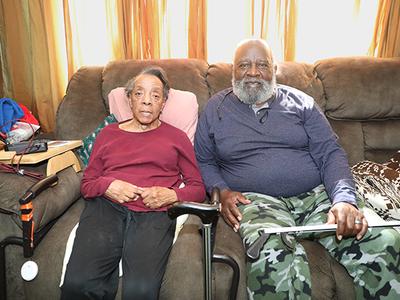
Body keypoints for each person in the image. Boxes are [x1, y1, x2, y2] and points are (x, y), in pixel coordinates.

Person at [194, 39, 400, 299]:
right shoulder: (215, 109)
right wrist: (220, 190)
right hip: (257, 200)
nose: (253, 72)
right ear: (232, 70)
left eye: (262, 65)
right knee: (271, 255)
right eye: (244, 65)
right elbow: (204, 159)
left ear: (275, 69)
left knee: (384, 239)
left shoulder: (302, 103)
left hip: (316, 195)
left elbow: (330, 154)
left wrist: (345, 200)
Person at [61, 66, 206, 300]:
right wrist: (108, 185)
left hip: (154, 212)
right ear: (129, 99)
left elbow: (198, 188)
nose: (147, 101)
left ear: (163, 103)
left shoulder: (177, 138)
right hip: (106, 207)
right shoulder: (108, 134)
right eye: (139, 93)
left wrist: (171, 195)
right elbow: (87, 183)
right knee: (78, 284)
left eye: (155, 96)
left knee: (141, 290)